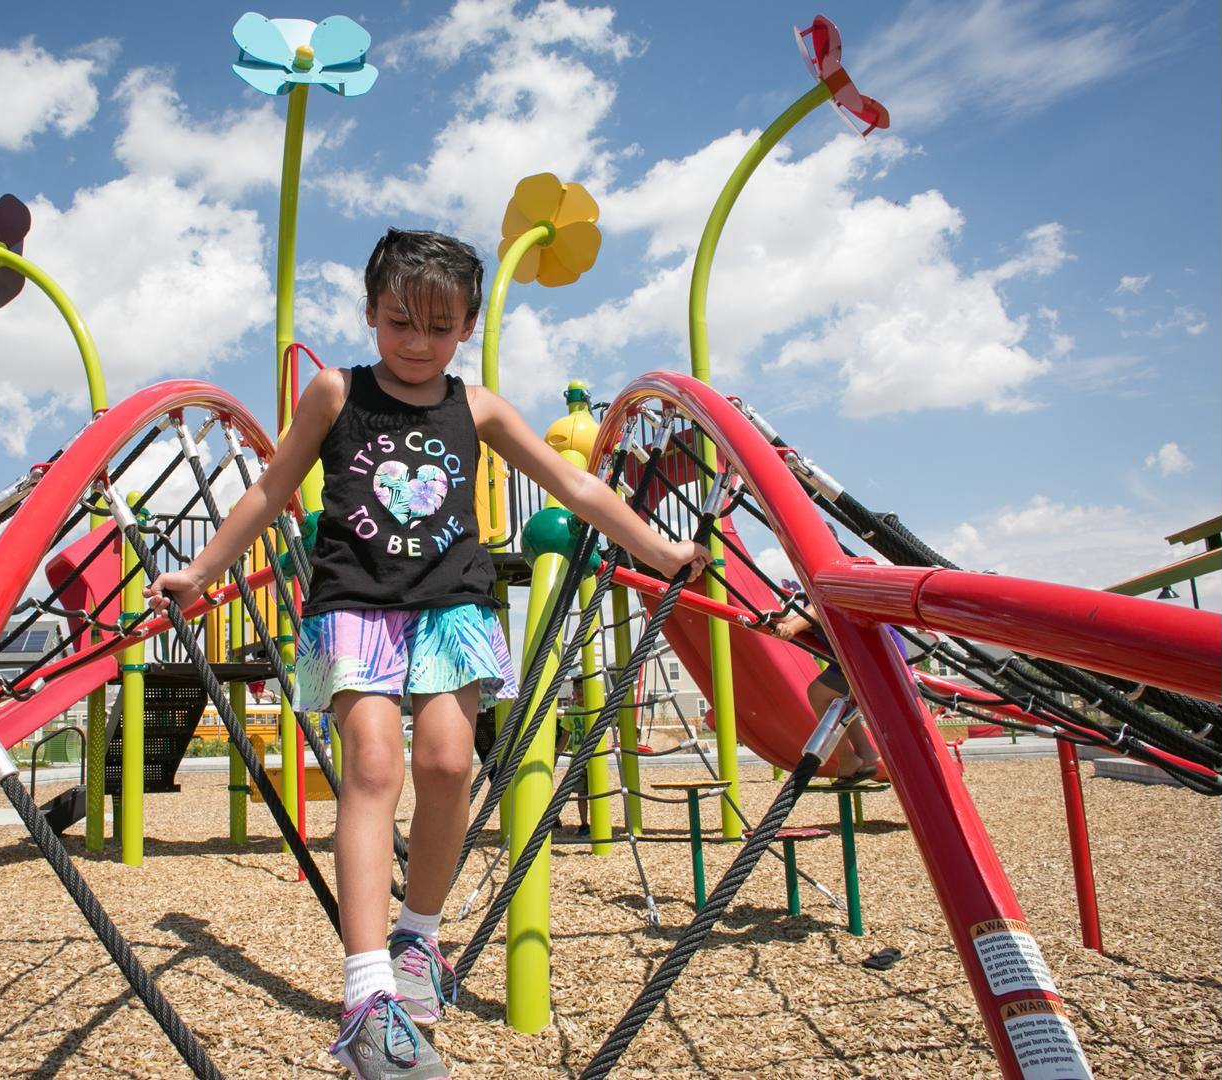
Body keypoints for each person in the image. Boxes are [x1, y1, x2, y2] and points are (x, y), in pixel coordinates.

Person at [146, 228, 706, 1079]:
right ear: (371, 313)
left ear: (465, 330)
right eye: (400, 321)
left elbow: (576, 484)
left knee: (447, 765)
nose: (416, 343)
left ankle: (419, 938)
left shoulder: (476, 407)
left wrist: (659, 554)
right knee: (374, 765)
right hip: (355, 602)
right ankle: (368, 993)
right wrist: (199, 569)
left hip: (453, 604)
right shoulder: (337, 392)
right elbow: (269, 488)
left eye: (438, 328)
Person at [767, 607, 885, 784]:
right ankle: (866, 753)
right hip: (861, 655)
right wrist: (784, 619)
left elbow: (819, 605)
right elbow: (816, 617)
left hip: (864, 658)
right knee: (840, 701)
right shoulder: (818, 592)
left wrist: (792, 625)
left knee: (818, 693)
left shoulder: (820, 587)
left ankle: (847, 760)